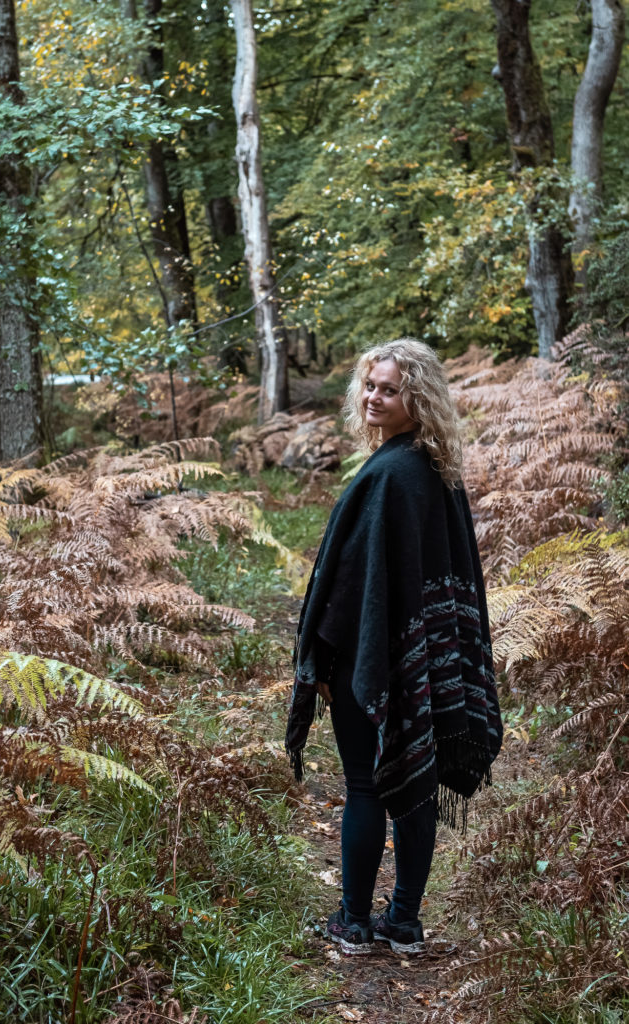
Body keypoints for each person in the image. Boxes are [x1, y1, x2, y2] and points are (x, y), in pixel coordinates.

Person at [285, 339, 502, 956]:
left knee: (364, 784)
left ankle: (354, 922)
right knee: (416, 778)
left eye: (389, 388)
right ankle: (404, 920)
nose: (375, 396)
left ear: (419, 397)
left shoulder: (387, 475)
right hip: (426, 656)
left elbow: (351, 585)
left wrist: (323, 661)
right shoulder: (436, 469)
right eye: (371, 386)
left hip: (371, 656)